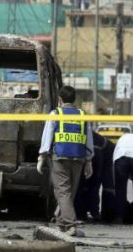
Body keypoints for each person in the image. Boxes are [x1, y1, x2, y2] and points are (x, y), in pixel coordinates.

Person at [37, 85, 94, 235]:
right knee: (69, 192)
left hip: (60, 157)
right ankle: (60, 223)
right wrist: (89, 161)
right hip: (79, 157)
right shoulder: (82, 115)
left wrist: (42, 156)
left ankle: (70, 224)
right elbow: (89, 140)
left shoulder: (56, 113)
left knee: (63, 192)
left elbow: (47, 136)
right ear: (74, 99)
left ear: (60, 99)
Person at [74, 130, 114, 222]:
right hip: (97, 154)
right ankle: (94, 212)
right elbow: (109, 146)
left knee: (80, 185)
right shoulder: (94, 135)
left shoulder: (77, 132)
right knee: (94, 186)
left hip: (84, 154)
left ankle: (81, 214)